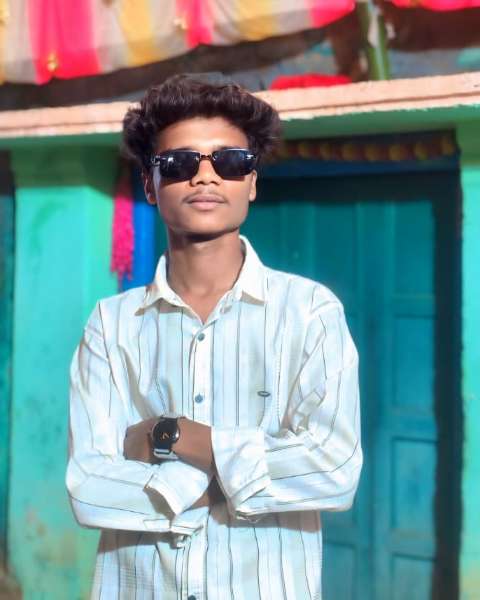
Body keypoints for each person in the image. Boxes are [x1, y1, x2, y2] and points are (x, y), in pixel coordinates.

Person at [66, 74, 362, 600]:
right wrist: (242, 478)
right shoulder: (110, 324)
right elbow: (88, 487)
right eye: (179, 163)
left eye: (230, 161)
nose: (206, 176)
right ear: (150, 185)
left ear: (252, 182)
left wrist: (172, 436)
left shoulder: (310, 312)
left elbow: (334, 469)